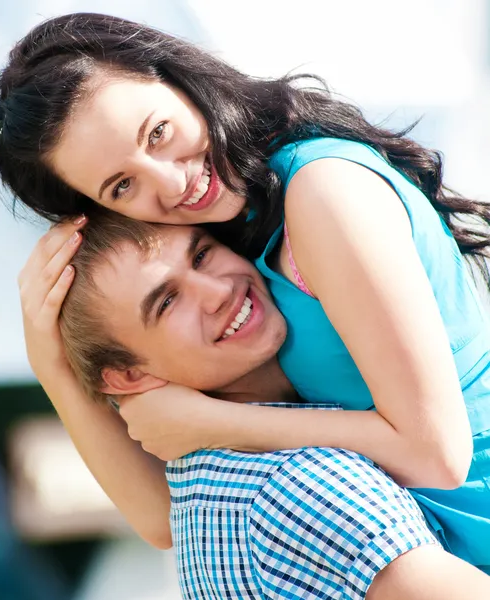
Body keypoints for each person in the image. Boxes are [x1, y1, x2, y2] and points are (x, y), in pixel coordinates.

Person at [0, 13, 490, 570]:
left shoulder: (322, 193)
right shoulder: (223, 246)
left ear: (177, 79)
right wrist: (51, 360)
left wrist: (211, 424)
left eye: (158, 133)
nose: (172, 183)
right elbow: (160, 517)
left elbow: (436, 454)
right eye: (122, 185)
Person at [59, 209, 490, 599]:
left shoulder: (203, 486)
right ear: (130, 376)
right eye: (168, 302)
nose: (217, 292)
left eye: (202, 255)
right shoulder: (304, 486)